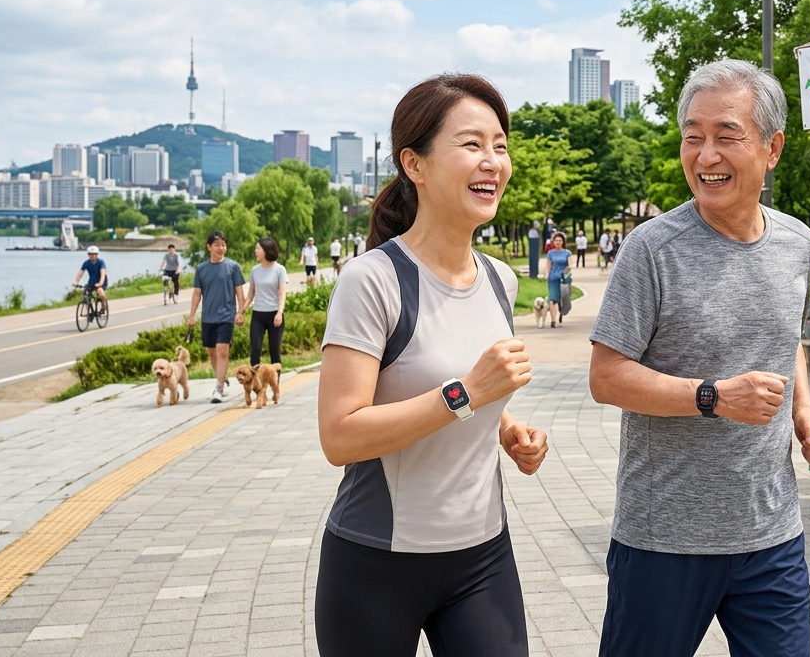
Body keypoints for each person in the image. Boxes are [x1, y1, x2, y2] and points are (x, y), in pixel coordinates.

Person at [589, 59, 810, 657]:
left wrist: (803, 412)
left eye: (726, 136)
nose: (706, 155)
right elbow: (606, 376)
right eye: (693, 137)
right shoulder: (652, 250)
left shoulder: (797, 243)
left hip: (771, 532)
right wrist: (714, 398)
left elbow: (784, 339)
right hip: (664, 536)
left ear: (772, 148)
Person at [315, 74, 549, 656]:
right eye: (471, 144)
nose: (492, 160)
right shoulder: (372, 280)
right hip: (376, 563)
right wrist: (466, 393)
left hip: (483, 556)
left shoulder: (502, 279)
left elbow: (465, 402)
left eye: (500, 144)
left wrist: (507, 429)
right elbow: (340, 436)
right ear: (413, 164)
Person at [188, 231, 246, 403]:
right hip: (208, 317)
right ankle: (223, 379)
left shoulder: (233, 267)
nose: (221, 248)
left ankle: (219, 388)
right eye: (217, 245)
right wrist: (192, 316)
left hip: (226, 316)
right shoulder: (201, 269)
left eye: (223, 245)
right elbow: (197, 294)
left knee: (222, 350)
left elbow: (239, 291)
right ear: (209, 247)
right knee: (212, 352)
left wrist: (240, 311)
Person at [244, 237, 289, 367]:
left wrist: (280, 312)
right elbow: (251, 294)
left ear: (266, 250)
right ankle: (257, 384)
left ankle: (276, 385)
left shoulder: (280, 269)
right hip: (258, 314)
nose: (255, 251)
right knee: (255, 349)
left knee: (274, 351)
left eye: (258, 248)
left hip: (275, 315)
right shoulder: (255, 270)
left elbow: (282, 293)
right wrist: (241, 311)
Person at [540, 232, 572, 328]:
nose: (558, 242)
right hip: (553, 278)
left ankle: (561, 313)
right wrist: (546, 274)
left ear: (563, 242)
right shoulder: (550, 253)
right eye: (556, 240)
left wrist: (568, 269)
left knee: (563, 298)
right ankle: (553, 320)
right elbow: (548, 265)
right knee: (553, 300)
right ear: (553, 242)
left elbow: (570, 264)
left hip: (564, 279)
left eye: (560, 240)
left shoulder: (567, 253)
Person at [73, 246, 109, 311]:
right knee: (86, 295)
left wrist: (100, 283)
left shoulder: (101, 262)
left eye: (95, 254)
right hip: (92, 281)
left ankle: (103, 306)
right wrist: (76, 281)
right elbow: (81, 273)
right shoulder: (86, 263)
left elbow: (103, 273)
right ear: (88, 255)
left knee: (101, 293)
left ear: (97, 254)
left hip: (101, 281)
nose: (93, 256)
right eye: (91, 254)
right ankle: (89, 312)